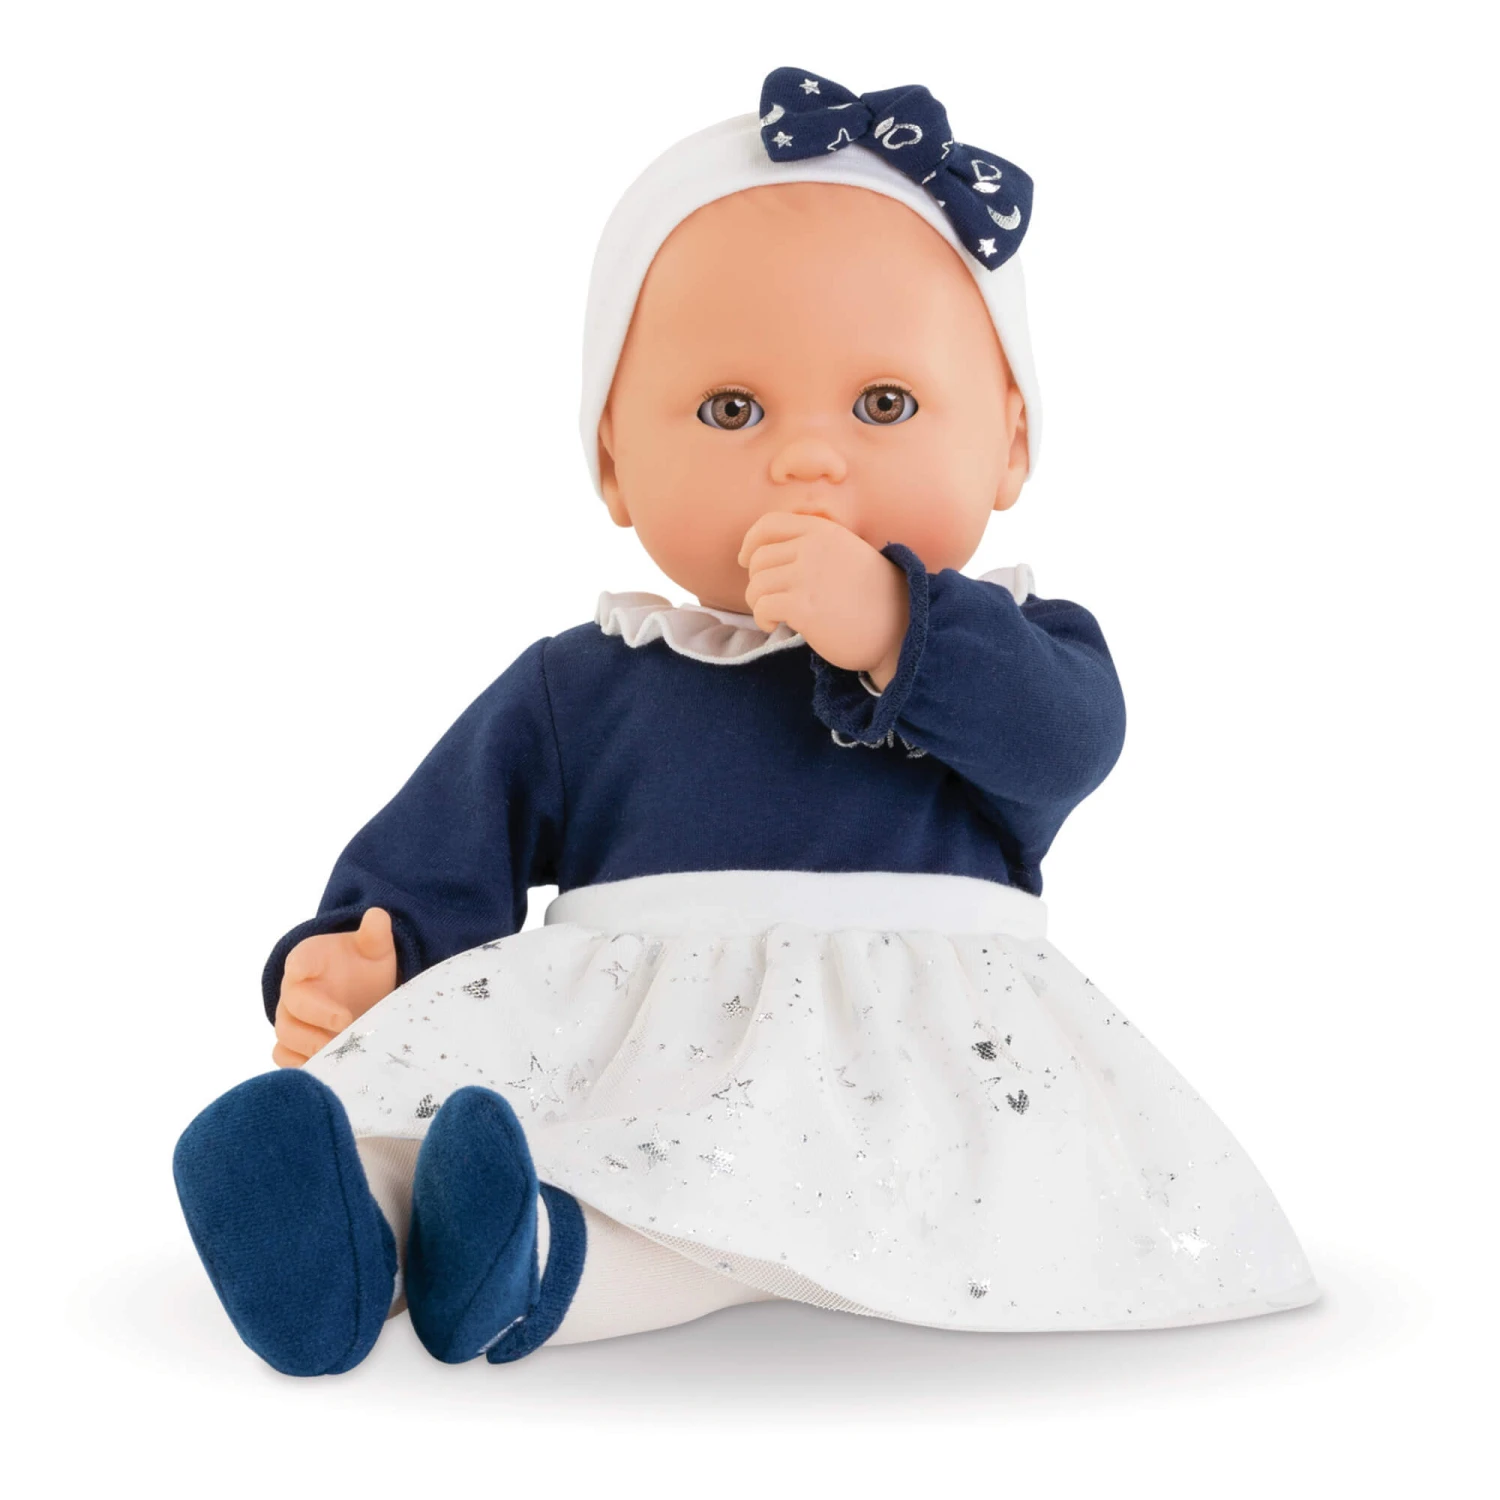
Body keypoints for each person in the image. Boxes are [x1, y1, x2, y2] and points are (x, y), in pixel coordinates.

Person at [173, 68, 1319, 1378]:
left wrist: (899, 627)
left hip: (909, 1065)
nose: (807, 458)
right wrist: (368, 951)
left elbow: (1069, 746)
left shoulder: (1013, 650)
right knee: (493, 1113)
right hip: (629, 1037)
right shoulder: (591, 679)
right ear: (613, 460)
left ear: (1010, 442)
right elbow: (453, 833)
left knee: (723, 1204)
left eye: (884, 405)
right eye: (732, 410)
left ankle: (532, 1255)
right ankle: (351, 1231)